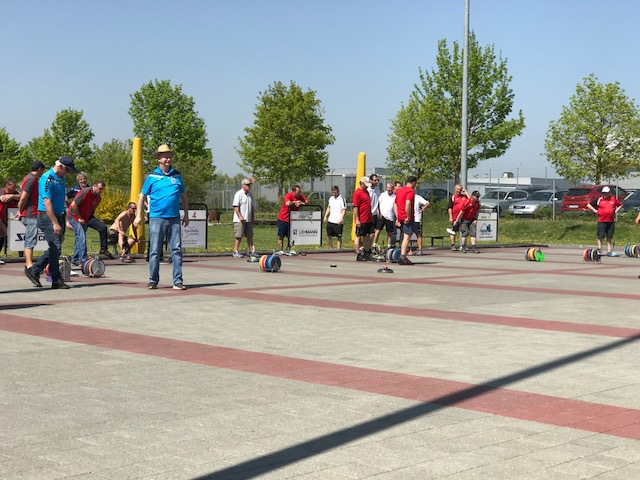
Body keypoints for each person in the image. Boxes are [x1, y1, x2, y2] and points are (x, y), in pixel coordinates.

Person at [134, 144, 189, 290]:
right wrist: (138, 215)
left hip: (174, 218)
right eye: (165, 156)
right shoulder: (152, 176)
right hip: (156, 218)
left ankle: (177, 281)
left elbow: (183, 196)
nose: (168, 159)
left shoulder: (177, 176)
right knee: (154, 250)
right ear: (159, 159)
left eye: (169, 156)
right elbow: (141, 196)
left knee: (176, 249)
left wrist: (186, 214)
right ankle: (153, 280)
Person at [25, 156, 75, 289]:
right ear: (60, 167)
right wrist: (55, 223)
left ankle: (34, 270)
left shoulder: (61, 178)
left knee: (55, 247)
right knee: (56, 247)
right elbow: (47, 202)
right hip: (47, 216)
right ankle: (56, 279)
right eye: (67, 170)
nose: (68, 173)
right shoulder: (47, 179)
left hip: (59, 214)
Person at [68, 180, 111, 264]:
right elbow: (74, 205)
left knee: (79, 238)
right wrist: (79, 218)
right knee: (81, 237)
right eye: (99, 189)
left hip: (85, 218)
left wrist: (87, 218)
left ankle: (75, 258)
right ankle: (83, 258)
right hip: (74, 216)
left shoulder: (98, 198)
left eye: (102, 190)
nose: (101, 191)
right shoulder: (85, 192)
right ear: (94, 186)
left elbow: (92, 209)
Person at [16, 161, 46, 271]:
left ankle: (36, 263)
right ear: (39, 169)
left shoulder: (32, 179)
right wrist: (20, 210)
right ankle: (28, 264)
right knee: (31, 238)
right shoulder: (31, 180)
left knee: (34, 237)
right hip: (31, 214)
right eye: (42, 170)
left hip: (33, 213)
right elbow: (23, 197)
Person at [586, 186, 622, 256]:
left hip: (610, 221)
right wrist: (595, 210)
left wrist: (616, 211)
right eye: (604, 193)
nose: (605, 194)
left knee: (609, 236)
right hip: (602, 221)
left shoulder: (613, 199)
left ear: (609, 193)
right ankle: (599, 250)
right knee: (601, 236)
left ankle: (609, 251)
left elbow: (620, 205)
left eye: (606, 193)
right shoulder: (600, 199)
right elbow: (588, 205)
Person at [277, 185, 307, 252]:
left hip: (292, 220)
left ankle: (289, 249)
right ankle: (280, 251)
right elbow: (287, 203)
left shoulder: (300, 196)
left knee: (292, 237)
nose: (299, 193)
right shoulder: (288, 195)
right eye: (298, 192)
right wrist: (295, 202)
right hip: (283, 219)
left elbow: (306, 200)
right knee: (281, 236)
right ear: (293, 191)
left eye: (300, 192)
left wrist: (301, 203)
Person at [394, 176, 417, 265]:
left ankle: (403, 255)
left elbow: (395, 204)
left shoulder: (400, 191)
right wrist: (408, 216)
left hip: (400, 216)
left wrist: (397, 216)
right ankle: (402, 256)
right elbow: (408, 204)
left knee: (404, 236)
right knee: (407, 236)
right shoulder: (410, 191)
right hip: (406, 217)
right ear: (414, 182)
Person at [232, 178, 255, 258]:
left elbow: (252, 207)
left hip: (248, 218)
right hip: (240, 220)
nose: (249, 186)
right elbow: (236, 206)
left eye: (249, 185)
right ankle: (235, 251)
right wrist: (240, 216)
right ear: (243, 185)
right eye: (247, 185)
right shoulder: (238, 194)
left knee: (250, 235)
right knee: (239, 235)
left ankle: (251, 251)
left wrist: (252, 217)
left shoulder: (250, 194)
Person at [353, 176, 374, 261]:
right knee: (359, 236)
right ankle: (358, 253)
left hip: (368, 218)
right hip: (361, 219)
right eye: (365, 184)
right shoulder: (357, 193)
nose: (367, 186)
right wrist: (357, 219)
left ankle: (367, 252)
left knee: (367, 236)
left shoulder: (366, 192)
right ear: (361, 183)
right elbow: (355, 207)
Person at [373, 182, 397, 250]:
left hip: (390, 217)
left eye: (390, 188)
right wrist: (379, 213)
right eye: (387, 188)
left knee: (389, 232)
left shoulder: (395, 197)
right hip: (382, 215)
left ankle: (389, 246)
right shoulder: (382, 195)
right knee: (378, 230)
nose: (388, 189)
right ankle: (374, 245)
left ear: (393, 189)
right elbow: (378, 204)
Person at [323, 185, 346, 249]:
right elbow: (329, 207)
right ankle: (330, 249)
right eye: (333, 192)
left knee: (339, 237)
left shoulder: (341, 199)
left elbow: (344, 209)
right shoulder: (331, 198)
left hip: (338, 222)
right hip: (331, 220)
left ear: (338, 191)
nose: (334, 194)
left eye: (335, 192)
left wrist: (341, 218)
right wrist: (325, 216)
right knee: (329, 236)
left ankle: (338, 249)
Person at [0, 178, 20, 252]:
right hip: (2, 218)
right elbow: (3, 198)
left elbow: (22, 196)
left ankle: (21, 255)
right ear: (7, 186)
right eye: (13, 186)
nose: (14, 188)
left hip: (13, 220)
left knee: (18, 240)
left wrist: (12, 196)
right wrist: (11, 197)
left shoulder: (15, 193)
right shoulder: (1, 191)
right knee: (1, 238)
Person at [446, 184, 467, 251]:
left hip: (463, 217)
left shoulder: (464, 197)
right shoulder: (452, 197)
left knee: (464, 231)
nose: (459, 191)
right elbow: (449, 208)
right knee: (453, 231)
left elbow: (470, 200)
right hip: (454, 217)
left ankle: (463, 246)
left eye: (460, 189)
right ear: (455, 189)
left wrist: (465, 192)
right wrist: (450, 217)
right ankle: (453, 245)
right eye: (457, 189)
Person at [411, 191, 429, 255]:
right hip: (409, 218)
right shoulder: (406, 198)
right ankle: (409, 249)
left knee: (418, 234)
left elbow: (427, 203)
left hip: (416, 219)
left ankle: (420, 249)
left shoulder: (418, 197)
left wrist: (422, 209)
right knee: (407, 234)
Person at [367, 174, 380, 246]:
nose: (376, 182)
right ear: (371, 180)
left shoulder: (377, 188)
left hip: (375, 214)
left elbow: (378, 201)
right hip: (369, 214)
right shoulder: (368, 190)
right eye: (375, 180)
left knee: (375, 231)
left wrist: (379, 211)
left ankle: (370, 246)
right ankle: (366, 247)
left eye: (377, 180)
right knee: (370, 233)